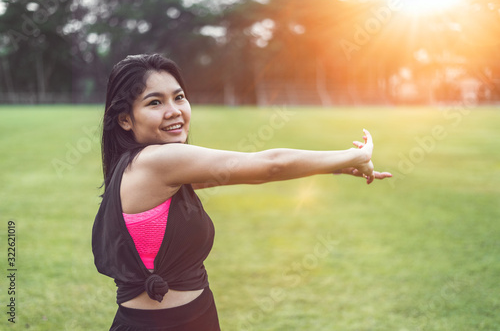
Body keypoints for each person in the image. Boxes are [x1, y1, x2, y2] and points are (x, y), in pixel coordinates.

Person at [92, 53, 392, 331]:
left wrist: (334, 167)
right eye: (154, 102)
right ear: (125, 120)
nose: (174, 111)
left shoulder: (138, 165)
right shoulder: (158, 160)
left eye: (179, 97)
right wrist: (355, 155)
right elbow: (268, 166)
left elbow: (242, 176)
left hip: (194, 318)